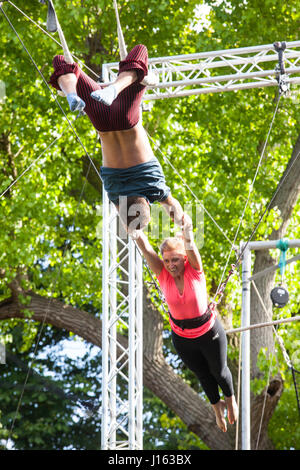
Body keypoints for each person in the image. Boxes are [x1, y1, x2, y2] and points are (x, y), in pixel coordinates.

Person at [49, 44, 184, 233]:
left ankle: (114, 88)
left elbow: (174, 209)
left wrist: (184, 226)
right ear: (120, 207)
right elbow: (125, 216)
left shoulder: (155, 189)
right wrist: (129, 225)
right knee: (62, 62)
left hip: (127, 119)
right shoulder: (113, 192)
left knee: (140, 54)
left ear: (147, 202)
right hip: (101, 121)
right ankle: (71, 94)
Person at [133, 215, 238, 432]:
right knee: (202, 374)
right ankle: (216, 407)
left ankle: (230, 399)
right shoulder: (162, 274)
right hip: (182, 338)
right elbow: (144, 246)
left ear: (184, 259)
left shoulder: (194, 271)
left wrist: (186, 227)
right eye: (167, 260)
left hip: (209, 332)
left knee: (218, 371)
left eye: (175, 260)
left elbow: (190, 245)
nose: (171, 265)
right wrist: (132, 225)